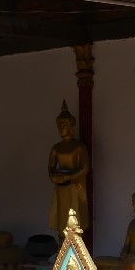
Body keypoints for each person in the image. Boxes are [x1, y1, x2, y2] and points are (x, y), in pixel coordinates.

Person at [47, 101, 89, 235]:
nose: (61, 128)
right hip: (61, 188)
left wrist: (69, 176)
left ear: (71, 127)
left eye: (64, 125)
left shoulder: (79, 147)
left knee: (75, 220)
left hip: (74, 188)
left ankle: (76, 244)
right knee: (62, 220)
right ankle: (62, 242)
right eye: (59, 126)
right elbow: (51, 167)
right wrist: (53, 176)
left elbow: (85, 168)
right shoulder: (56, 148)